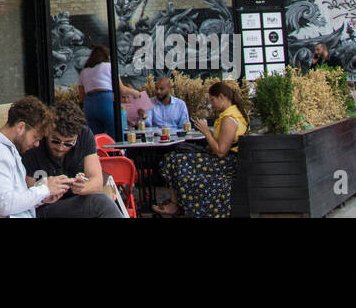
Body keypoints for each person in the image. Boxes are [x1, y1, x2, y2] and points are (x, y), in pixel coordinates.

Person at [0, 96, 71, 217]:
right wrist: (44, 190)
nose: (37, 144)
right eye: (35, 137)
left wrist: (43, 197)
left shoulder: (5, 150)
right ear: (20, 127)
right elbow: (5, 204)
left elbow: (11, 202)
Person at [152, 81, 249, 217]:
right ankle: (175, 204)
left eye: (212, 100)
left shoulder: (229, 119)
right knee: (171, 159)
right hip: (223, 159)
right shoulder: (232, 114)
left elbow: (221, 152)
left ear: (221, 97)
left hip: (226, 164)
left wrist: (207, 133)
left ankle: (178, 205)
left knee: (176, 161)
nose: (211, 104)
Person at [21, 100, 123, 218]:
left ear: (77, 136)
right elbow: (29, 192)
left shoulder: (84, 134)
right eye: (55, 141)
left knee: (102, 201)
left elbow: (97, 181)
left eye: (68, 143)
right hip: (44, 208)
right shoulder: (34, 144)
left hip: (76, 201)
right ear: (47, 132)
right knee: (101, 203)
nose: (61, 147)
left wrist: (82, 187)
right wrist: (48, 190)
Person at [77, 44, 139, 136]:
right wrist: (135, 93)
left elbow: (82, 97)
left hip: (89, 104)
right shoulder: (109, 66)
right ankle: (116, 150)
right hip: (106, 100)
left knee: (95, 139)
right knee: (115, 134)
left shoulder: (84, 72)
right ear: (107, 56)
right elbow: (121, 89)